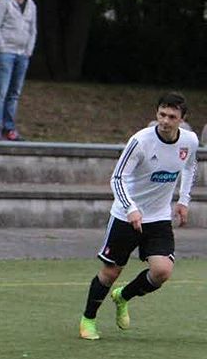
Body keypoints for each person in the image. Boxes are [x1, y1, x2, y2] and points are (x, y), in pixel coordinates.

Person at [78, 93, 198, 340]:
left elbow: (189, 167)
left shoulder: (189, 141)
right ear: (156, 114)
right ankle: (88, 319)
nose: (165, 121)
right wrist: (131, 208)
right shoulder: (140, 141)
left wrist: (183, 201)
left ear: (182, 120)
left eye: (172, 117)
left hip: (159, 217)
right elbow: (117, 178)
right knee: (110, 272)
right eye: (161, 115)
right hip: (126, 215)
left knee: (162, 271)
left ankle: (123, 296)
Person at [0, 0, 37, 141]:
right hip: (5, 53)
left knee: (14, 93)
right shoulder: (4, 2)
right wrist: (1, 47)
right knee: (1, 91)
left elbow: (33, 30)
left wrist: (28, 50)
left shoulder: (31, 5)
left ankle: (9, 128)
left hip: (22, 54)